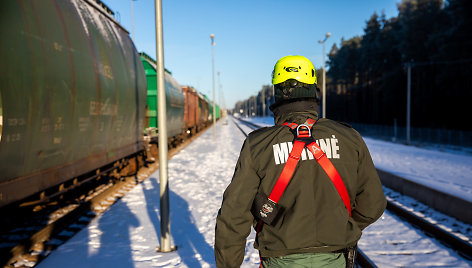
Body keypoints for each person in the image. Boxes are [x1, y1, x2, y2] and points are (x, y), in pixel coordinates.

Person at [215, 55, 386, 267]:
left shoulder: (257, 144)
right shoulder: (349, 137)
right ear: (314, 90)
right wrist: (340, 228)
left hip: (279, 260)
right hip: (336, 259)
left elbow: (233, 216)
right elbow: (374, 204)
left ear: (277, 92)